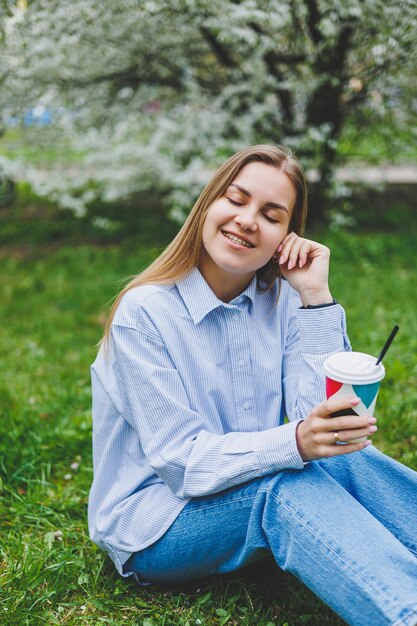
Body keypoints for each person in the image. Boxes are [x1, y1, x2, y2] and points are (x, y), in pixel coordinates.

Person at [88, 145, 417, 626]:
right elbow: (182, 461)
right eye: (236, 199)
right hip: (155, 523)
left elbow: (319, 417)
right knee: (283, 484)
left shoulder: (282, 300)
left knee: (345, 462)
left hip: (246, 488)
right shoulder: (145, 315)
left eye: (270, 214)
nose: (247, 220)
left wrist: (315, 299)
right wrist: (296, 441)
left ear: (287, 236)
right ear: (208, 205)